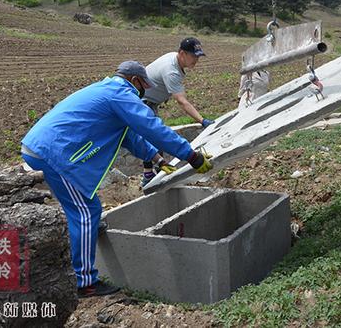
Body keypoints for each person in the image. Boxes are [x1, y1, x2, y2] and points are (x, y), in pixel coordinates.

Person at [20, 61, 212, 297]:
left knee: (84, 209)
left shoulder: (109, 91)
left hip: (47, 148)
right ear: (134, 80)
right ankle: (84, 282)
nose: (145, 91)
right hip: (53, 153)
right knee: (85, 211)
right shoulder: (120, 93)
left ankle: (86, 238)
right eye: (144, 86)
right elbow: (151, 126)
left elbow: (130, 135)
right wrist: (190, 155)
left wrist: (156, 157)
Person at [140, 37, 214, 185]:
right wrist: (202, 120)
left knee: (154, 137)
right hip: (142, 102)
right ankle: (151, 176)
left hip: (147, 101)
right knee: (156, 136)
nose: (196, 60)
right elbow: (182, 101)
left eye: (198, 56)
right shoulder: (171, 71)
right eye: (193, 56)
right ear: (182, 53)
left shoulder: (173, 59)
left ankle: (150, 173)